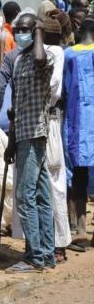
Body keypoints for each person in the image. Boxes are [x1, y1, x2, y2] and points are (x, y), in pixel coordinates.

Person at [4, 14, 55, 273]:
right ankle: (46, 253)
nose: (21, 33)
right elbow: (17, 105)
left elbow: (40, 60)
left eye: (26, 29)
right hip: (22, 134)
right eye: (18, 29)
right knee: (41, 196)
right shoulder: (19, 60)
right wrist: (11, 142)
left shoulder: (43, 55)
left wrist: (38, 32)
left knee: (25, 196)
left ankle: (35, 257)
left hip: (35, 134)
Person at [41, 14, 71, 263]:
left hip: (46, 120)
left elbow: (53, 87)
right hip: (50, 119)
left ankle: (55, 243)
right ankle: (58, 243)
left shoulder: (51, 53)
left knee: (48, 182)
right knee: (55, 182)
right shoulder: (56, 51)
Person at [62, 18, 94, 247]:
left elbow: (63, 89)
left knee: (79, 176)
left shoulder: (69, 55)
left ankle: (81, 229)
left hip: (77, 123)